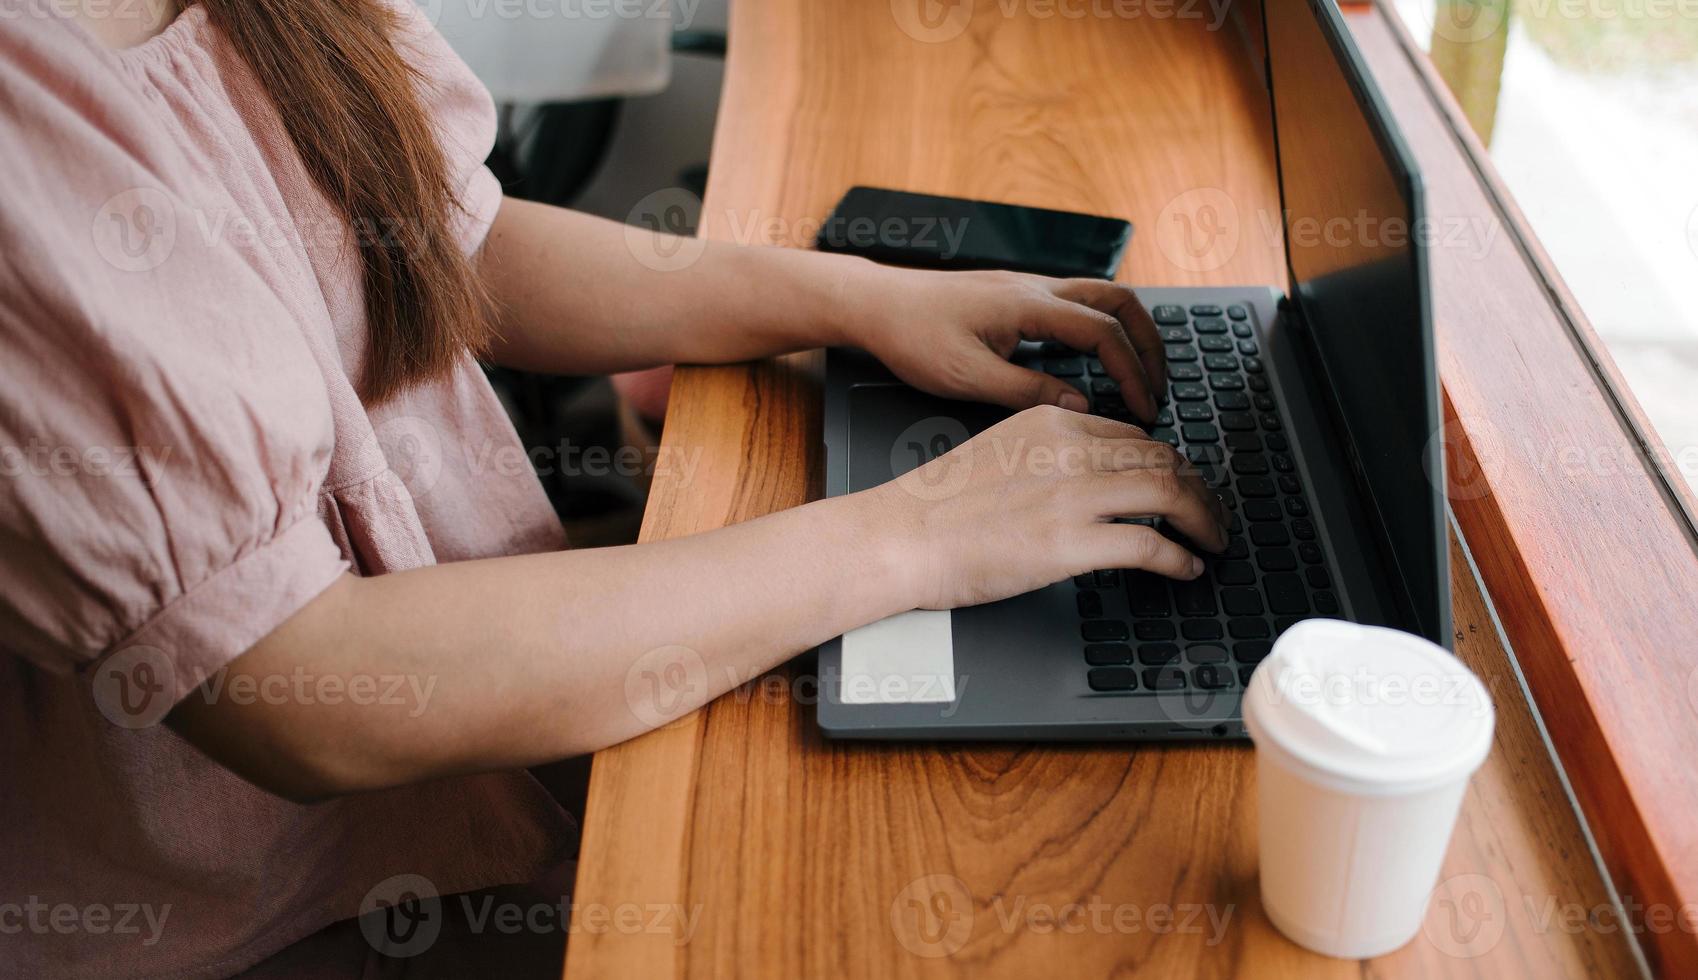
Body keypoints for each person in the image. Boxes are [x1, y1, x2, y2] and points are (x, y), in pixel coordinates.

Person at [0, 0, 1227, 975]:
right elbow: (297, 687)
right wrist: (924, 533)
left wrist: (851, 294)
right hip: (260, 910)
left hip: (484, 754)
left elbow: (447, 241)